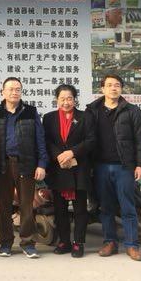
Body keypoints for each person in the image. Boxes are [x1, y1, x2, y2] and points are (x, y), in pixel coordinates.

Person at [85, 74, 141, 262]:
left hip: (124, 167)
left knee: (128, 206)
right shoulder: (93, 111)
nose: (114, 88)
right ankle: (110, 242)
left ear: (121, 89)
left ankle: (132, 245)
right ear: (102, 89)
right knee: (105, 207)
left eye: (117, 85)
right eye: (110, 85)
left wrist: (140, 164)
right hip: (100, 167)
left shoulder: (132, 111)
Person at [0, 77, 47, 259]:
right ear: (3, 92)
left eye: (18, 89)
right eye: (11, 89)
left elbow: (40, 139)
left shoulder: (30, 111)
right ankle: (5, 243)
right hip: (2, 165)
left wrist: (42, 164)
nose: (14, 92)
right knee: (4, 206)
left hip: (26, 163)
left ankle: (28, 243)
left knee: (26, 205)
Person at [42, 84, 95, 258]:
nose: (66, 102)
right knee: (60, 209)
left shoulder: (85, 117)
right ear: (56, 100)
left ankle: (78, 242)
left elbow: (91, 140)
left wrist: (72, 152)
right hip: (58, 168)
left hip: (79, 168)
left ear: (75, 99)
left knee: (80, 209)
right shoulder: (49, 118)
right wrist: (58, 155)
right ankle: (64, 241)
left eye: (70, 98)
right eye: (62, 99)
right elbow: (46, 141)